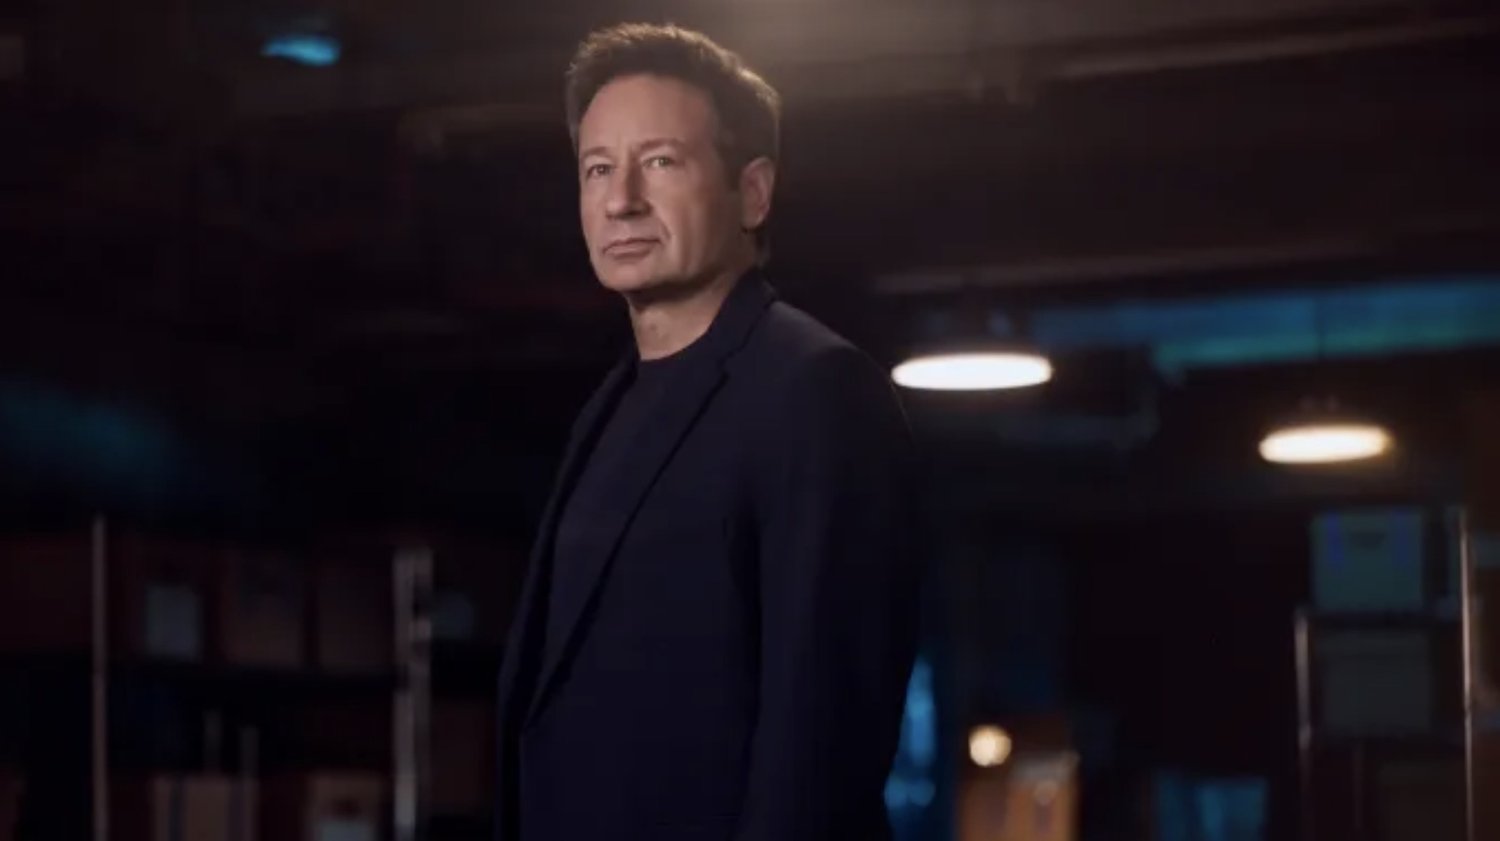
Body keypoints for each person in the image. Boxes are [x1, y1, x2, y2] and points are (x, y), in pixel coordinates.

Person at [495, 22, 924, 841]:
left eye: (660, 162)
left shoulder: (816, 391)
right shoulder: (607, 408)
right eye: (597, 168)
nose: (621, 199)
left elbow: (820, 740)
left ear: (752, 192)